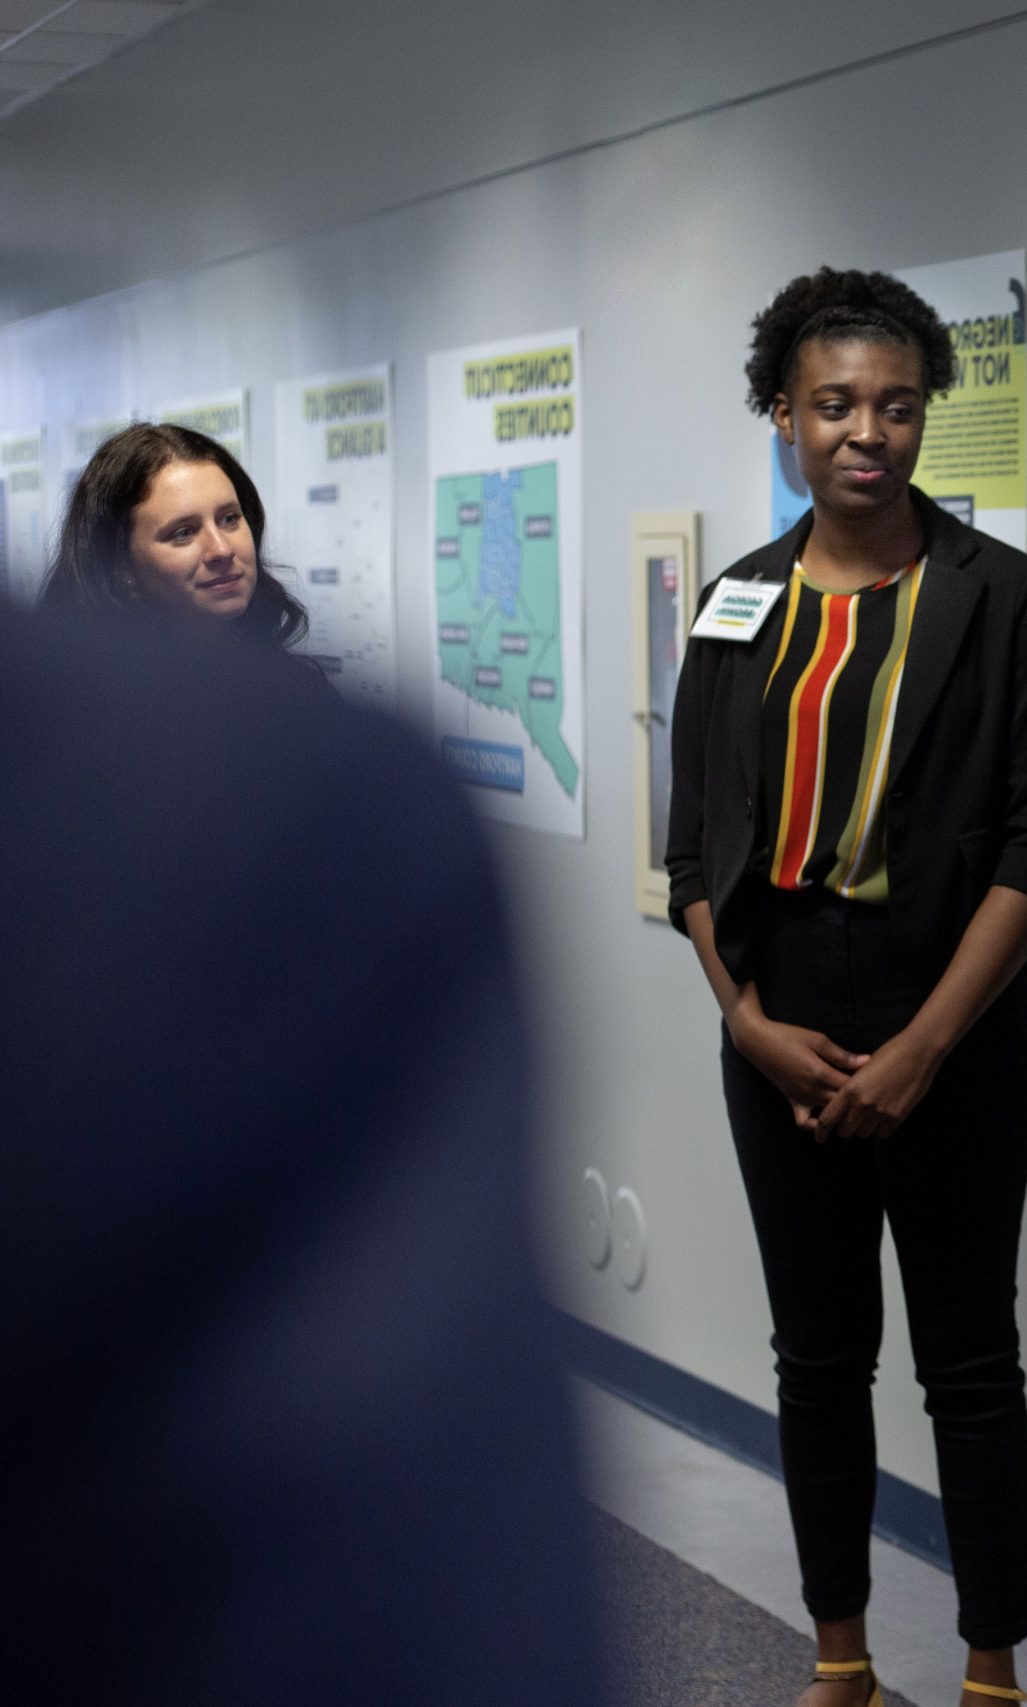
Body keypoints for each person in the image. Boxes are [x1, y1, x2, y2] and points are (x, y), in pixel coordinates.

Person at [0, 603, 600, 1706]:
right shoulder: (270, 798)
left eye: (228, 515)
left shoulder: (266, 799)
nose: (218, 546)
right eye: (178, 528)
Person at [663, 267, 1027, 1707]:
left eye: (896, 405)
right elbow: (692, 852)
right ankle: (837, 1654)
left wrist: (920, 1047)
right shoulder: (735, 607)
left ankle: (988, 1670)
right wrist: (748, 1021)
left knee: (970, 1359)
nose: (867, 433)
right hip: (778, 1020)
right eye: (834, 403)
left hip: (955, 1025)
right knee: (817, 1356)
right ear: (783, 414)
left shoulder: (1002, 597)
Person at [39, 420, 311, 649]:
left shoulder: (294, 688)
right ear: (121, 567)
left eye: (229, 519)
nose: (222, 550)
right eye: (183, 533)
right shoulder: (86, 703)